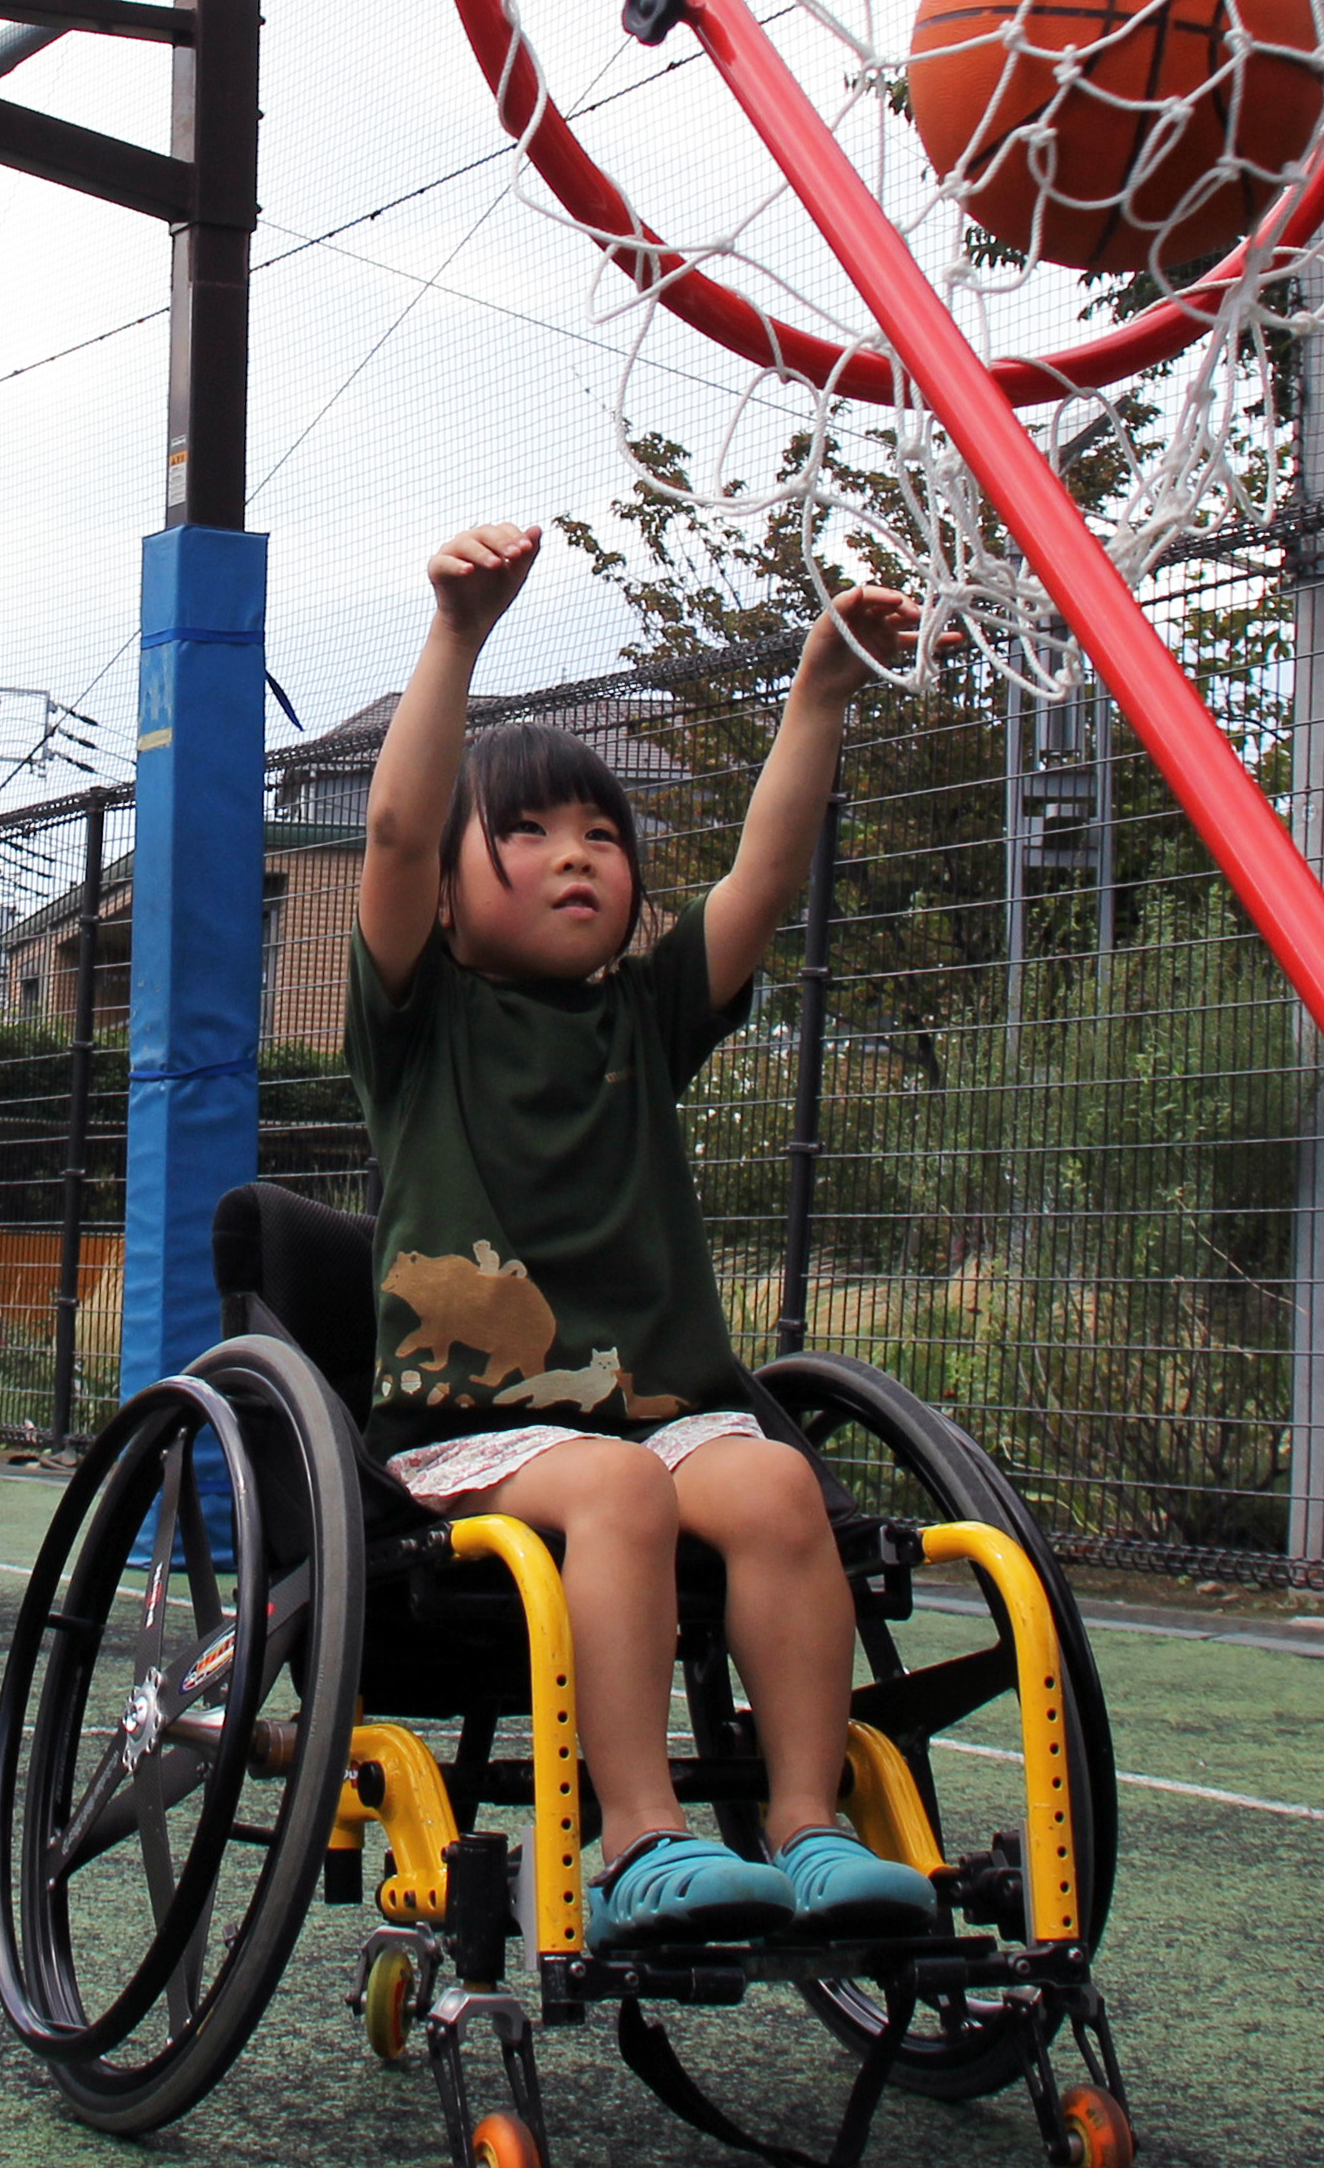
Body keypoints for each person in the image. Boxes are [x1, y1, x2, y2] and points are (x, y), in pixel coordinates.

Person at [352, 518, 942, 1948]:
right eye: (532, 832)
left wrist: (819, 695)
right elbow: (388, 828)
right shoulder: (418, 1021)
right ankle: (638, 1841)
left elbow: (758, 879)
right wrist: (457, 638)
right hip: (471, 1425)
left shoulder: (643, 1017)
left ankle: (802, 1825)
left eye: (602, 836)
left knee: (775, 1493)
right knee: (616, 1496)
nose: (576, 857)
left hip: (658, 1411)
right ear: (447, 886)